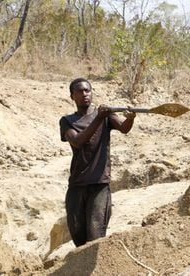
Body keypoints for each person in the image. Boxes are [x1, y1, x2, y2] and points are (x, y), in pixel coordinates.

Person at [59, 78, 136, 247]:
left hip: (99, 184)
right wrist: (99, 117)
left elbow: (124, 128)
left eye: (87, 90)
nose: (85, 94)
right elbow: (78, 141)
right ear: (72, 96)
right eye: (79, 91)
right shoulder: (67, 121)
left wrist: (130, 118)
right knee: (78, 235)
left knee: (96, 234)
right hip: (77, 184)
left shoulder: (105, 115)